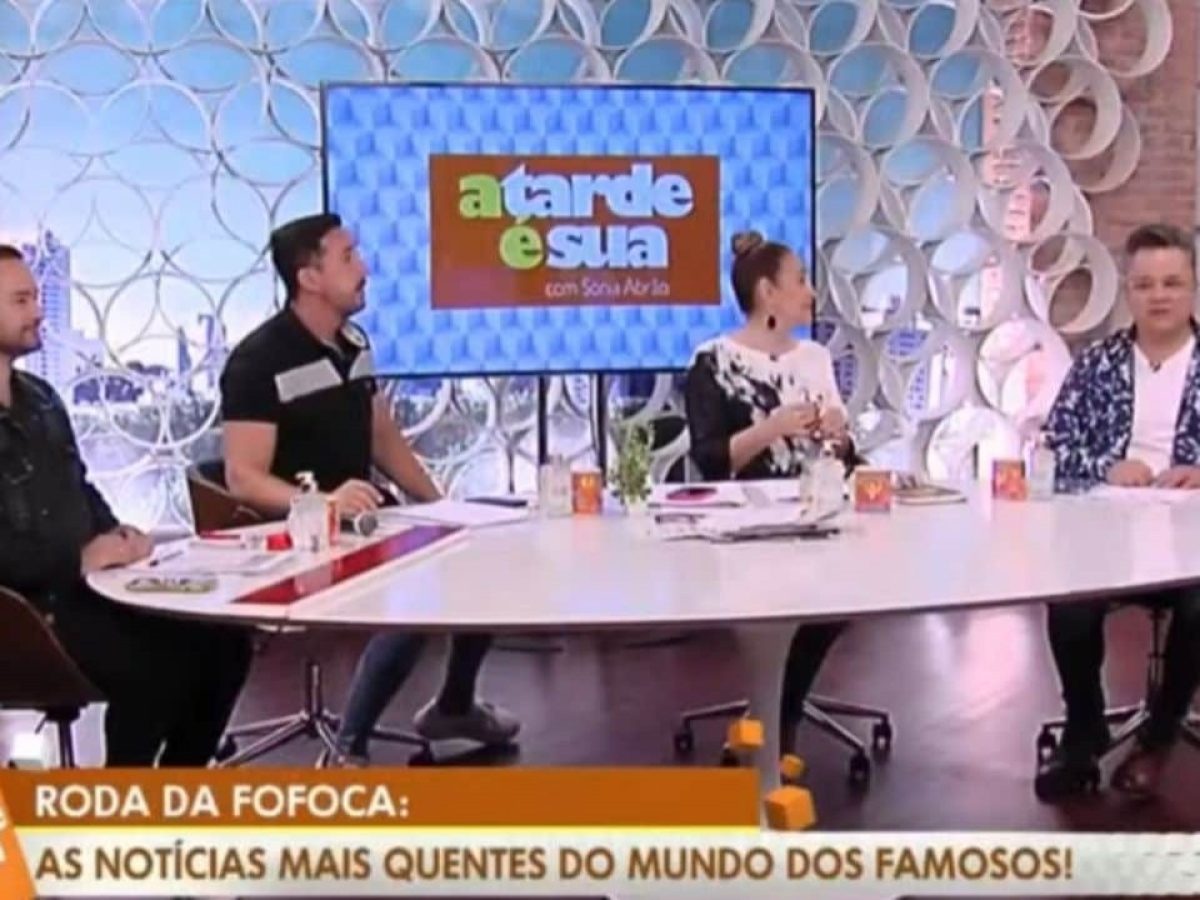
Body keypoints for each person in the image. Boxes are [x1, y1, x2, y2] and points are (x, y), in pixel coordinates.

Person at [219, 213, 518, 765]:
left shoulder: (354, 343)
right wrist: (321, 503)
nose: (365, 268)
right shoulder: (259, 361)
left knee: (477, 556)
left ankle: (455, 705)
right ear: (309, 278)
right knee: (417, 588)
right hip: (296, 532)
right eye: (348, 257)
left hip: (362, 519)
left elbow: (382, 437)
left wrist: (444, 508)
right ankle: (348, 749)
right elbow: (243, 476)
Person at [0, 244, 252, 766]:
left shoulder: (42, 398)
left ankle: (176, 789)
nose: (39, 311)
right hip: (23, 612)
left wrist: (117, 536)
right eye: (21, 300)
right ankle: (125, 793)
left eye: (37, 297)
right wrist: (77, 559)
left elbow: (79, 485)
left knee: (225, 643)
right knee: (155, 669)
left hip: (82, 591)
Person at [1035, 222, 1200, 801]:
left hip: (1191, 542)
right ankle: (1083, 729)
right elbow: (1053, 446)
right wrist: (1106, 466)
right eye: (1145, 284)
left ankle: (1158, 737)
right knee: (1069, 602)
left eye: (1172, 283)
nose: (1159, 296)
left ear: (1193, 288)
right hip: (1109, 534)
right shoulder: (1098, 363)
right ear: (1128, 291)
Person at [684, 230, 861, 752]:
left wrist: (838, 436)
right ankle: (777, 723)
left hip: (817, 517)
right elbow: (710, 460)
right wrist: (772, 427)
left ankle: (774, 716)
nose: (811, 292)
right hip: (746, 529)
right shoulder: (713, 361)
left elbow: (846, 454)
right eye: (800, 280)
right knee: (785, 594)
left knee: (842, 596)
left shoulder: (815, 358)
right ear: (767, 292)